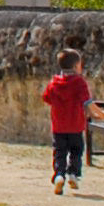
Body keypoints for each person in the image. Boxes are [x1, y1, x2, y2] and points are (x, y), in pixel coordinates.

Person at [42, 53, 94, 195]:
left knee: (59, 152)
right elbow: (86, 101)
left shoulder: (54, 82)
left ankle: (59, 175)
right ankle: (73, 173)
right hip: (76, 124)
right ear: (76, 66)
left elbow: (46, 98)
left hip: (59, 125)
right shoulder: (79, 82)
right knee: (76, 151)